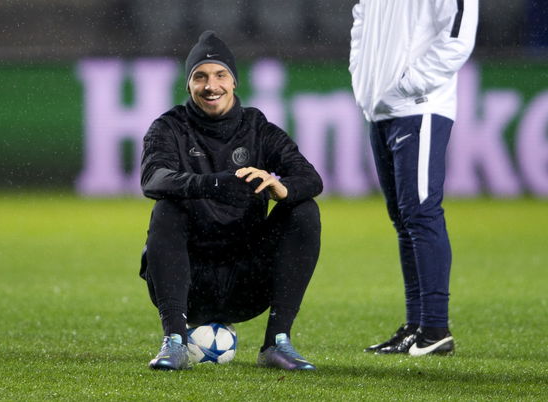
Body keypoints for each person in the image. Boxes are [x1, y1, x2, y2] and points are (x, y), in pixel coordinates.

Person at [139, 31, 323, 370]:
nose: (211, 86)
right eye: (200, 76)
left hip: (247, 284)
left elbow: (310, 178)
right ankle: (174, 342)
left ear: (234, 82)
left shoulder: (257, 128)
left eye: (220, 75)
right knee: (167, 205)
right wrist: (214, 184)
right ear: (188, 84)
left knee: (303, 209)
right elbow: (153, 180)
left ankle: (277, 343)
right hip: (188, 283)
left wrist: (281, 188)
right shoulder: (169, 128)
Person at [349, 0, 478, 356]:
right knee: (405, 220)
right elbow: (361, 20)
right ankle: (417, 324)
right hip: (381, 107)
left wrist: (408, 85)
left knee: (421, 213)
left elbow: (457, 35)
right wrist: (365, 84)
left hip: (419, 106)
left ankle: (435, 326)